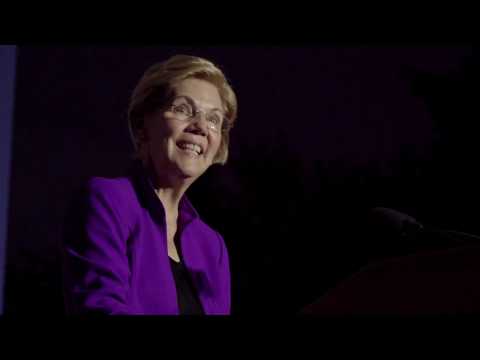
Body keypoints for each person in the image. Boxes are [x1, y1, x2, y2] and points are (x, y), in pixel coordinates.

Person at [62, 54, 238, 315]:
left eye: (213, 119)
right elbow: (99, 308)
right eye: (182, 109)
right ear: (143, 124)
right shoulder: (107, 202)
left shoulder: (213, 247)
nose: (201, 126)